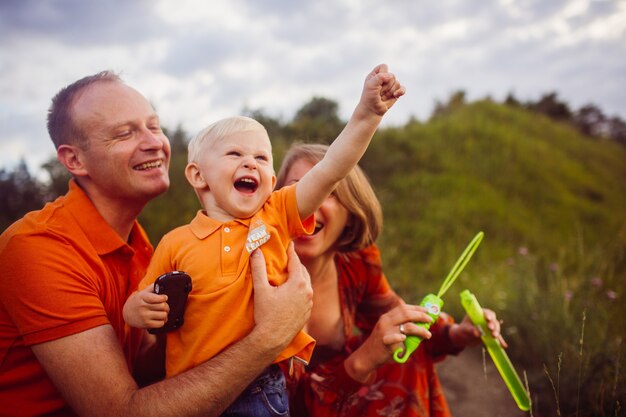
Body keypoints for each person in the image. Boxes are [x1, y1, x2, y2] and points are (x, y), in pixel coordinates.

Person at [0, 70, 314, 417]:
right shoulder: (40, 247)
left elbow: (148, 371)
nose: (154, 142)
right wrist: (268, 337)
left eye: (154, 126)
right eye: (125, 133)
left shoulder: (147, 246)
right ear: (74, 160)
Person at [122, 64, 406, 416]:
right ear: (197, 175)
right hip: (192, 391)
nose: (250, 163)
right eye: (235, 154)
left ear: (272, 180)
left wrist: (367, 115)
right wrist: (135, 309)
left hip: (261, 389)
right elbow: (146, 306)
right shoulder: (175, 242)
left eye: (261, 158)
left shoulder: (276, 214)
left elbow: (333, 166)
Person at [275, 143, 508, 417]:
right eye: (299, 188)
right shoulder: (260, 275)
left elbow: (403, 324)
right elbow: (282, 405)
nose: (311, 199)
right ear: (277, 203)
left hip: (335, 399)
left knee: (401, 348)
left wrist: (458, 335)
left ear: (350, 214)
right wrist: (362, 361)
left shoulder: (356, 264)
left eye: (329, 190)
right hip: (288, 408)